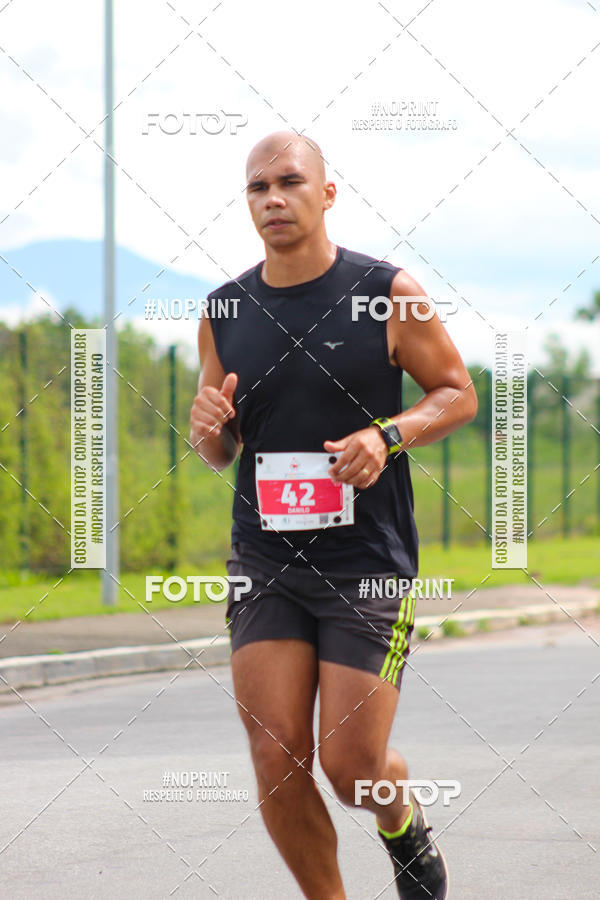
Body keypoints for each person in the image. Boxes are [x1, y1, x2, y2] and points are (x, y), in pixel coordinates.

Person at [189, 130, 477, 899]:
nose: (273, 198)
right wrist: (205, 427)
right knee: (275, 754)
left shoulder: (386, 291)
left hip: (365, 564)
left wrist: (387, 436)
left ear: (326, 193)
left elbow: (457, 393)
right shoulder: (224, 309)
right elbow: (219, 447)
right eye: (258, 187)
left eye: (289, 181)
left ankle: (399, 817)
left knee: (351, 769)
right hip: (265, 561)